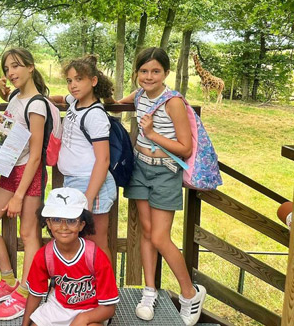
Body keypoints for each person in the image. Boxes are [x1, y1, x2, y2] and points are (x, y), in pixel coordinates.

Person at [118, 47, 206, 326]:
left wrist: (152, 133)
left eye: (155, 71)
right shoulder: (140, 95)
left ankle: (190, 293)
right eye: (143, 71)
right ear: (137, 73)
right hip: (140, 168)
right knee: (146, 232)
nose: (149, 76)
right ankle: (149, 292)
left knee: (159, 237)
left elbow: (184, 147)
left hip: (165, 172)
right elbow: (115, 103)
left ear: (166, 73)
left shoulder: (173, 102)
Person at [0, 48, 47, 321]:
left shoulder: (37, 104)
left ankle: (26, 293)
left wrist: (19, 196)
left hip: (28, 175)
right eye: (7, 69)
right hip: (9, 172)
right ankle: (8, 280)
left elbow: (36, 154)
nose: (11, 72)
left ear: (31, 67)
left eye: (17, 66)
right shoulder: (16, 98)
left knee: (30, 236)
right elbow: (12, 121)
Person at [51, 56, 117, 260]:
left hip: (91, 183)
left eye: (79, 79)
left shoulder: (95, 115)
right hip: (74, 182)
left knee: (96, 241)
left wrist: (88, 197)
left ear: (93, 81)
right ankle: (85, 285)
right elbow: (62, 98)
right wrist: (44, 100)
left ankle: (105, 289)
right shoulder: (75, 102)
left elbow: (103, 160)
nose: (73, 85)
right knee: (78, 241)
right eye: (70, 80)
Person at [22, 187, 119, 326]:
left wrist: (83, 318)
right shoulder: (44, 256)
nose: (63, 227)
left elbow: (109, 308)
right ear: (48, 223)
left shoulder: (95, 256)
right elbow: (35, 294)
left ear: (82, 224)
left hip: (90, 310)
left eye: (71, 220)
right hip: (57, 307)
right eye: (56, 219)